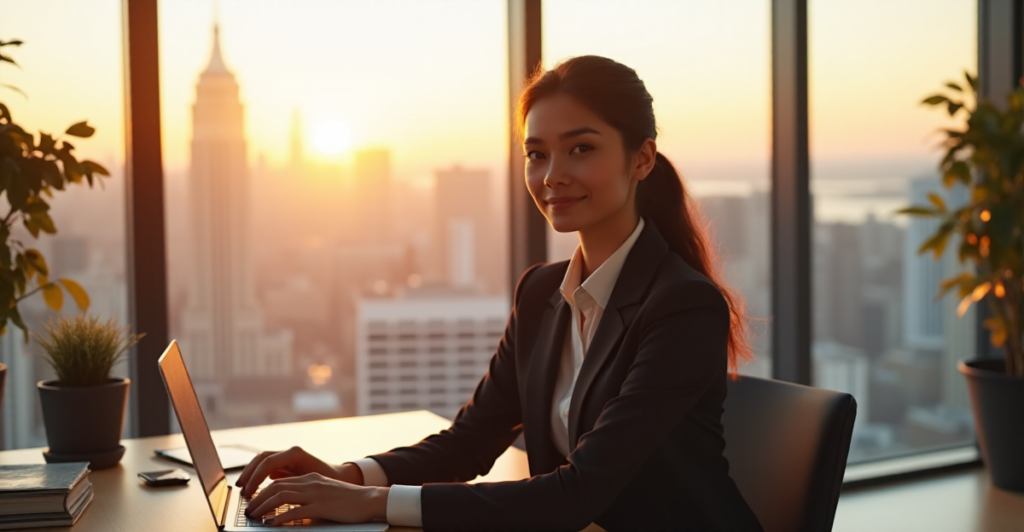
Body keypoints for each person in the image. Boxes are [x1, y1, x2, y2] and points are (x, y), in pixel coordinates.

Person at [236, 55, 764, 532]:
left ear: (642, 159)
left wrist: (374, 502)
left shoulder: (683, 307)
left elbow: (577, 493)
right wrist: (347, 475)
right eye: (537, 154)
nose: (553, 176)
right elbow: (470, 442)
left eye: (581, 148)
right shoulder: (540, 293)